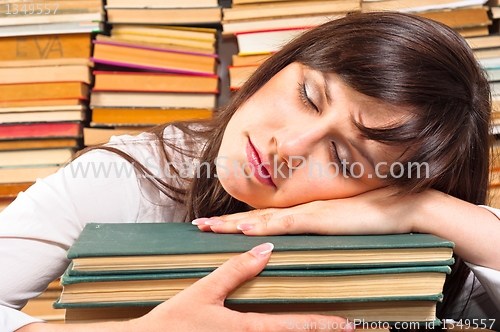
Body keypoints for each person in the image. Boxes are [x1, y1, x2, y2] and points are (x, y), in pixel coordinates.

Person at [1, 11, 499, 331]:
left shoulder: (435, 236)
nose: (290, 146)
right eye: (308, 96)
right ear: (282, 65)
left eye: (346, 160)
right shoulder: (133, 175)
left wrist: (431, 209)